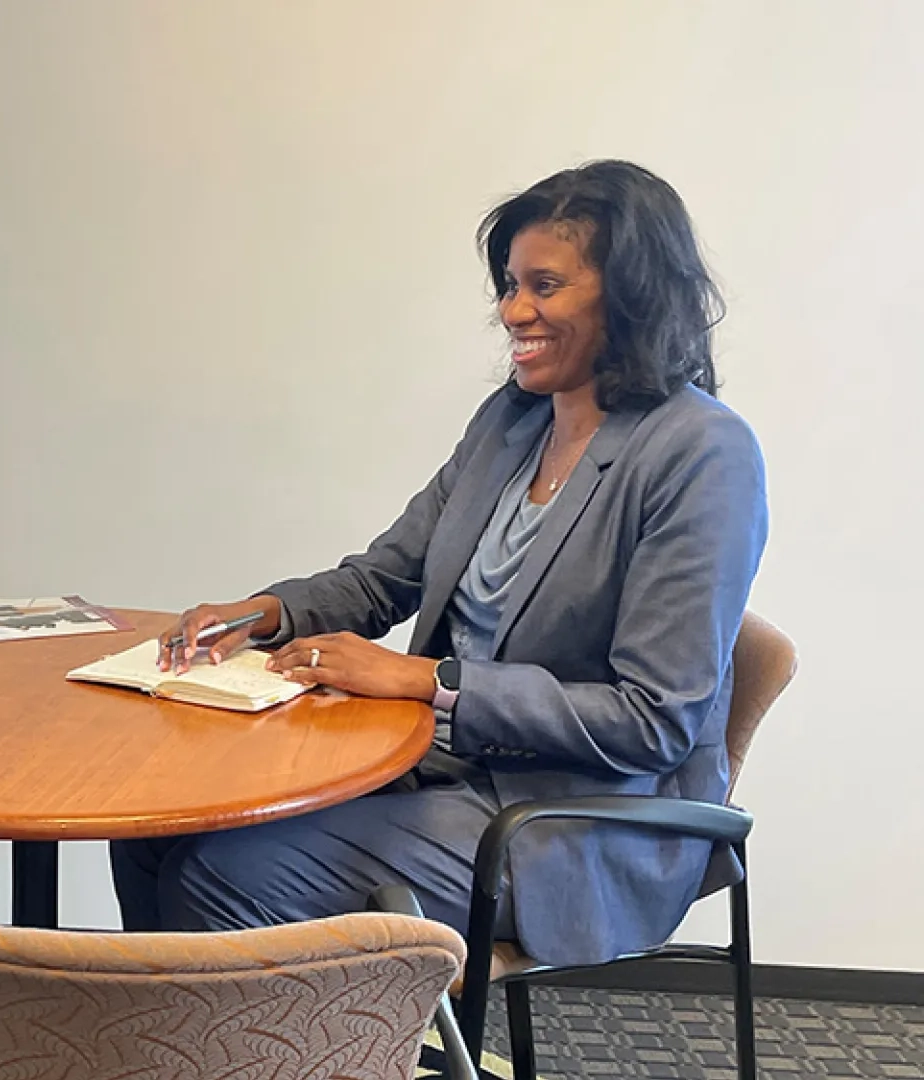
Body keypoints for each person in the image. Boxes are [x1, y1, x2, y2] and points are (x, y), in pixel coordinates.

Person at [111, 160, 767, 969]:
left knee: (227, 877)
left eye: (545, 286)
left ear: (630, 294)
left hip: (580, 821)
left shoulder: (702, 451)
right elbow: (386, 574)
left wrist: (429, 681)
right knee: (154, 830)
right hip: (434, 769)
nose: (512, 310)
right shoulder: (512, 422)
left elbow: (652, 719)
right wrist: (263, 614)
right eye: (509, 285)